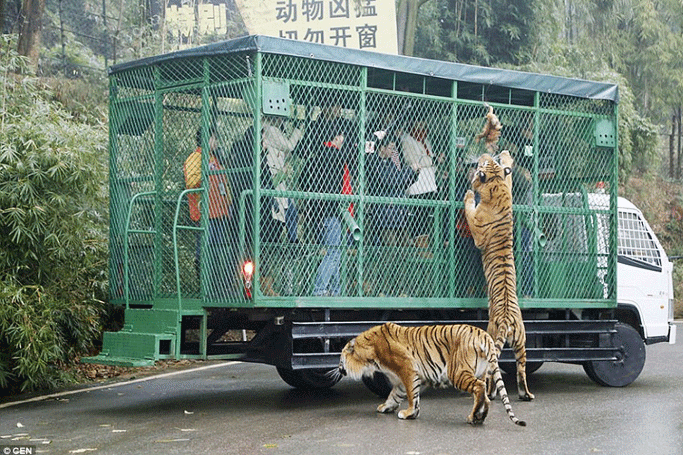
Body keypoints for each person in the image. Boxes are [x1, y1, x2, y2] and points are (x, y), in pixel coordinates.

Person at [303, 119, 353, 296]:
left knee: (335, 253)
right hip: (332, 212)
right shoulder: (336, 156)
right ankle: (320, 289)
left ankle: (335, 290)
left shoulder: (315, 157)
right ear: (338, 137)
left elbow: (304, 180)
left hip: (317, 213)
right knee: (333, 253)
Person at [184, 126, 234, 299]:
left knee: (217, 249)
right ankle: (204, 287)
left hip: (220, 212)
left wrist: (228, 202)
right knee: (204, 249)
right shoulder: (195, 158)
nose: (217, 142)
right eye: (215, 138)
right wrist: (204, 172)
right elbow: (191, 182)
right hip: (205, 212)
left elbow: (224, 182)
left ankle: (215, 287)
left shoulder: (215, 158)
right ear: (207, 139)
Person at [262, 115, 303, 243]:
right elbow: (289, 145)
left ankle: (293, 239)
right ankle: (292, 241)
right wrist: (298, 129)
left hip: (278, 180)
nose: (282, 121)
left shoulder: (275, 131)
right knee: (285, 212)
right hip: (273, 180)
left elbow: (287, 151)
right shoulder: (270, 130)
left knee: (290, 212)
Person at [400, 120, 438, 256]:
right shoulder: (407, 140)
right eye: (419, 124)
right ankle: (420, 246)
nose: (422, 127)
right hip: (418, 184)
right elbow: (412, 160)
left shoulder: (425, 140)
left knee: (427, 214)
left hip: (430, 182)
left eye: (423, 124)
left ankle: (425, 243)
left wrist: (428, 160)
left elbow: (427, 158)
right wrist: (431, 160)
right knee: (419, 214)